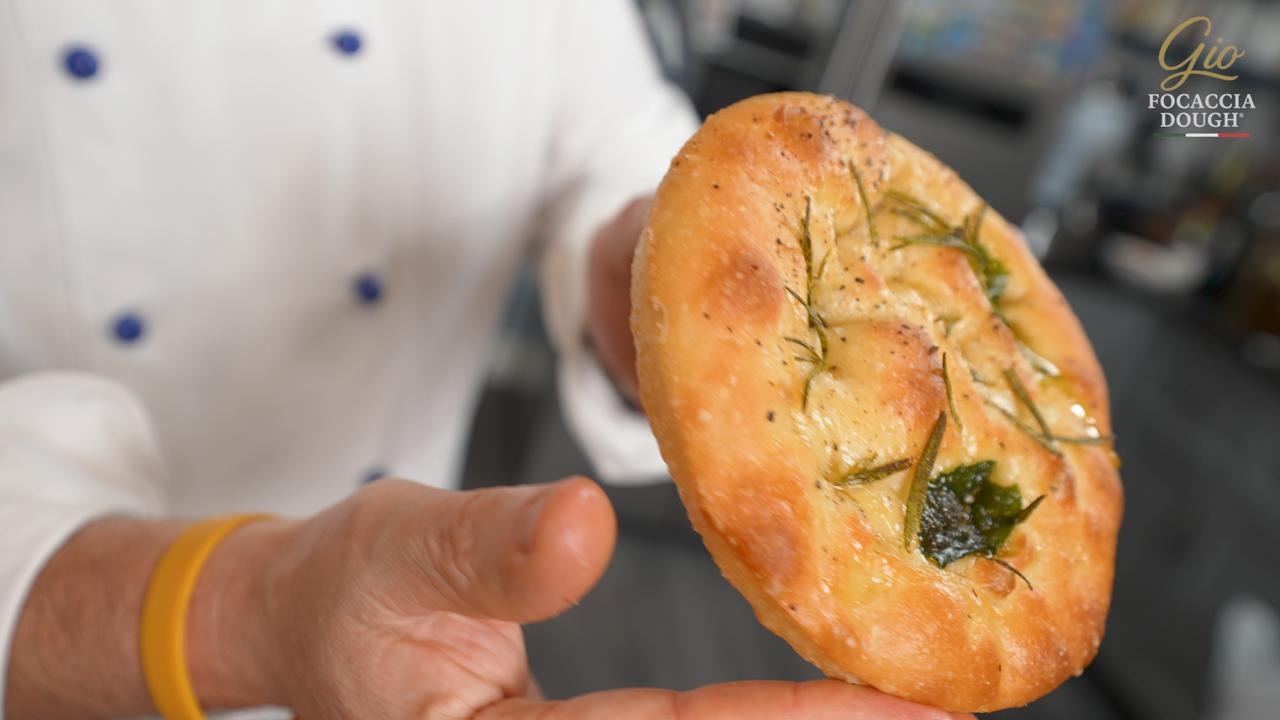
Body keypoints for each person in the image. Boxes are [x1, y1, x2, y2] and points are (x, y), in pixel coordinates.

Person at [0, 2, 967, 718]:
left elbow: (619, 148)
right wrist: (243, 612)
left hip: (424, 609)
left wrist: (662, 278)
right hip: (48, 633)